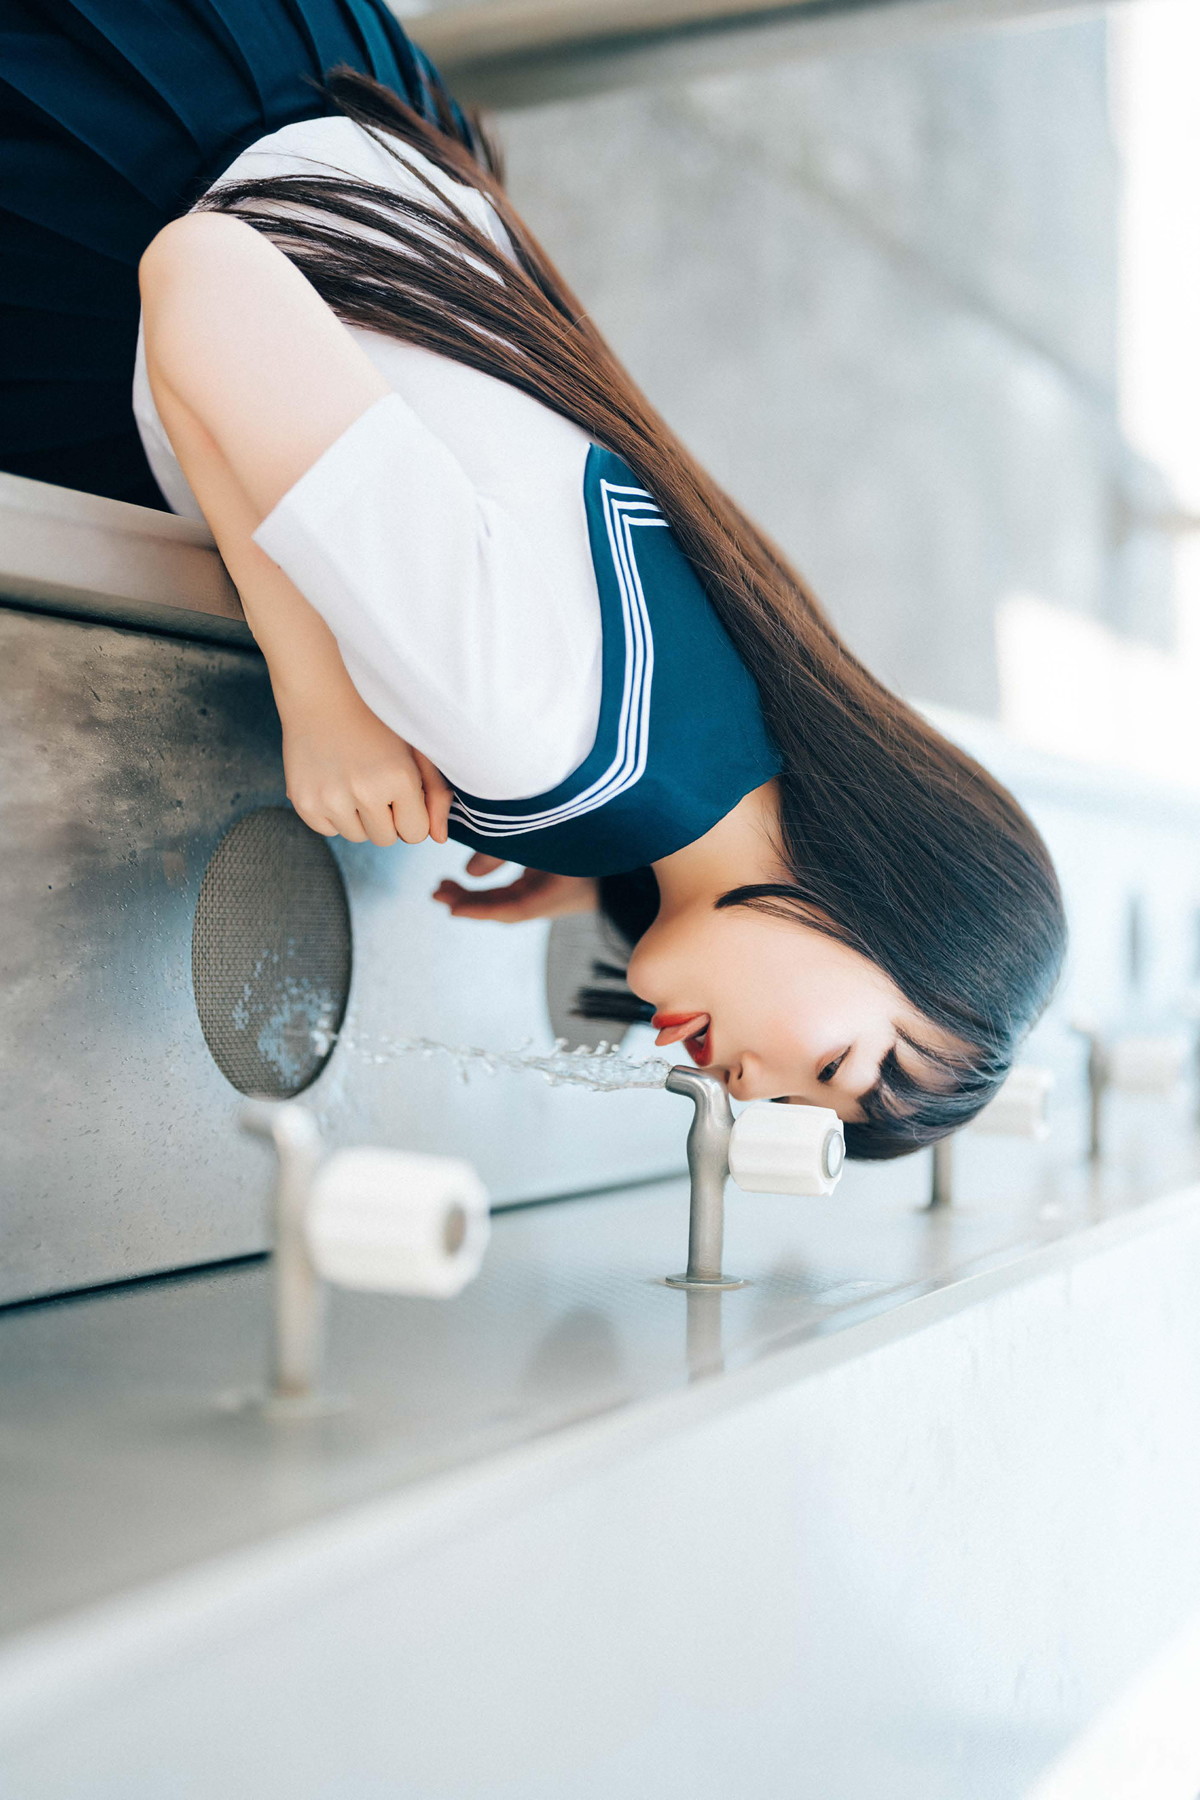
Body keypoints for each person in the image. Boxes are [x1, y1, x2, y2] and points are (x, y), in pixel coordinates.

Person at [1, 7, 1066, 1155]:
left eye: (796, 1111)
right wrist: (323, 701)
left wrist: (603, 867)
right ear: (881, 897)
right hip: (107, 167)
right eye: (832, 1067)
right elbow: (204, 279)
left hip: (269, 91)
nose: (756, 1093)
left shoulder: (736, 701)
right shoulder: (527, 723)